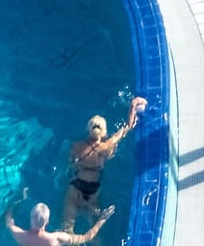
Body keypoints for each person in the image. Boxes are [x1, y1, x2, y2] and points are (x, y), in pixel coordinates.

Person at [63, 96, 147, 235]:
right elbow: (128, 127)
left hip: (75, 187)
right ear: (104, 132)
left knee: (67, 229)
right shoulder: (107, 146)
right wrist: (133, 105)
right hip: (93, 190)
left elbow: (70, 165)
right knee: (93, 228)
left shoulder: (75, 146)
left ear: (88, 129)